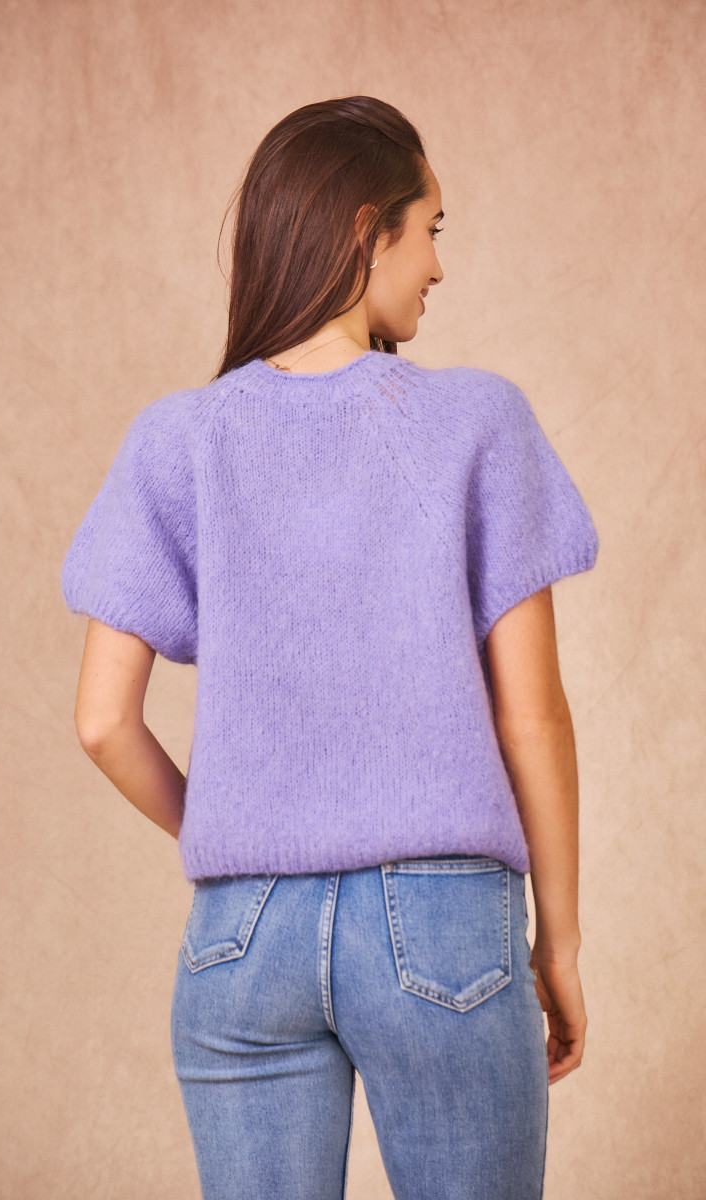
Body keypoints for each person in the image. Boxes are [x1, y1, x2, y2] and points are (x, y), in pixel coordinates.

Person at [61, 96, 599, 1200]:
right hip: (443, 929)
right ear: (367, 231)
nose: (438, 266)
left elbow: (103, 723)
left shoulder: (176, 438)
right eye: (430, 230)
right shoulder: (478, 421)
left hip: (239, 936)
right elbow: (532, 715)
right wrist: (559, 941)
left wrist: (236, 832)